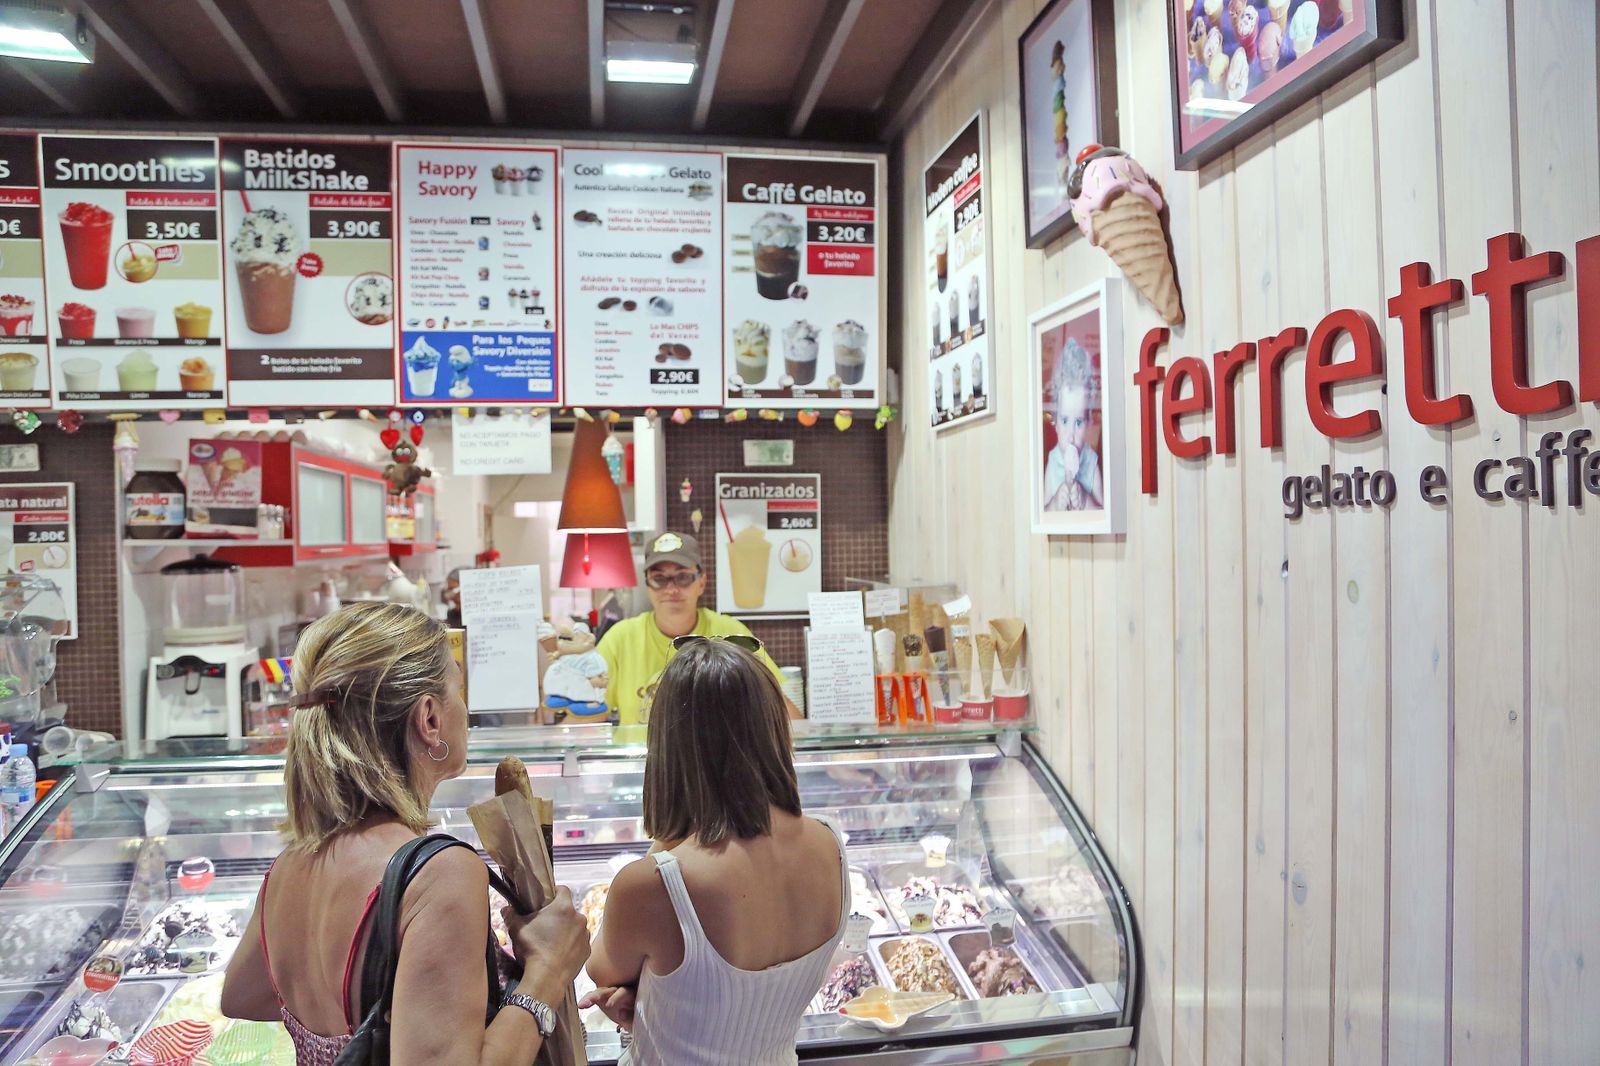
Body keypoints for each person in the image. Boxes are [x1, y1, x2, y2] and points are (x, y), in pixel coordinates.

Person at [220, 602, 589, 1064]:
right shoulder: (438, 872)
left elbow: (242, 995)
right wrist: (548, 972)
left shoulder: (292, 864)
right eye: (458, 689)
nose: (466, 709)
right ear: (429, 718)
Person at [580, 638, 848, 1064]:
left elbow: (601, 970)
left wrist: (640, 995)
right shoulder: (830, 844)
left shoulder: (654, 883)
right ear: (773, 728)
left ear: (669, 746)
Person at [596, 531, 798, 724]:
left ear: (702, 583)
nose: (672, 589)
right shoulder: (619, 639)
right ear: (648, 585)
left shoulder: (731, 634)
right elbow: (583, 716)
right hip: (644, 759)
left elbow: (780, 711)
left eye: (683, 577)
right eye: (659, 579)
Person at [1043, 338, 1105, 511]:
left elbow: (1103, 512)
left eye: (1078, 422)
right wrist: (1055, 503)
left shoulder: (1091, 462)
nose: (1071, 436)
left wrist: (1086, 502)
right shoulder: (1053, 463)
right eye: (1064, 421)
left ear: (1088, 422)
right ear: (1055, 423)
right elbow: (1044, 512)